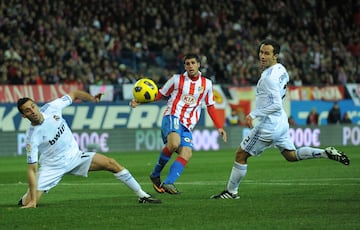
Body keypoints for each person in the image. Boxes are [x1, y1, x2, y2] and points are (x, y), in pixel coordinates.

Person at [211, 39, 350, 200]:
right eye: (261, 52)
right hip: (281, 122)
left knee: (241, 155)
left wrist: (253, 114)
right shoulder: (282, 70)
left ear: (275, 55)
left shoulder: (268, 78)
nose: (262, 56)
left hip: (268, 124)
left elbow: (276, 104)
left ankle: (231, 192)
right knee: (290, 155)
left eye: (267, 53)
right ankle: (324, 153)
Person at [17, 90, 161, 208]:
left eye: (33, 106)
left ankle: (143, 195)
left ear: (36, 105)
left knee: (111, 163)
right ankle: (25, 199)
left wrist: (92, 98)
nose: (33, 111)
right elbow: (32, 169)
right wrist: (33, 201)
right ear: (24, 116)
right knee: (28, 202)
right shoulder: (32, 137)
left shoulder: (52, 107)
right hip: (53, 166)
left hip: (76, 157)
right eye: (27, 111)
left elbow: (74, 94)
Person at [130, 53, 227, 194]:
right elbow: (160, 94)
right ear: (185, 66)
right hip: (172, 116)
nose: (190, 66)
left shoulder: (207, 84)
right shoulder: (176, 80)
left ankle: (168, 183)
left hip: (187, 125)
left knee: (187, 153)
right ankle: (155, 174)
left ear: (199, 64)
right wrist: (140, 101)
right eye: (187, 63)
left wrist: (219, 126)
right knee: (174, 143)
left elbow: (210, 106)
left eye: (193, 63)